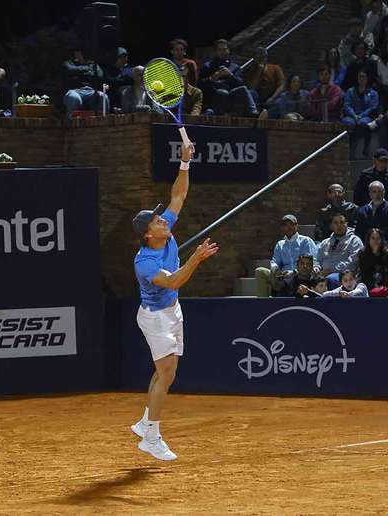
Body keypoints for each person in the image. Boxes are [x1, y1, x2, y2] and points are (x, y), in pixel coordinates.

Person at [131, 141, 219, 461]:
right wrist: (195, 259)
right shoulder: (145, 263)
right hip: (154, 316)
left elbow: (178, 195)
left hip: (173, 310)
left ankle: (144, 423)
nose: (164, 220)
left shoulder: (165, 231)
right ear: (147, 235)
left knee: (167, 373)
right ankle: (151, 436)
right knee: (166, 371)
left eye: (160, 218)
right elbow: (173, 280)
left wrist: (184, 163)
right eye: (157, 221)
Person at [254, 215, 318, 298]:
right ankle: (263, 304)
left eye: (292, 224)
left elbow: (311, 262)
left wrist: (293, 272)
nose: (289, 227)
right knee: (260, 271)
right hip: (283, 277)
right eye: (285, 225)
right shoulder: (280, 244)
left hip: (300, 276)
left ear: (296, 225)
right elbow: (275, 261)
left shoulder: (306, 241)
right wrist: (276, 270)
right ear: (282, 228)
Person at [199, 39, 260, 117]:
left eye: (224, 49)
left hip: (231, 94)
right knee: (222, 92)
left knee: (246, 90)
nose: (222, 52)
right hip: (215, 94)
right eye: (219, 50)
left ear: (228, 50)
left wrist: (230, 75)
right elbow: (200, 85)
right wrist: (213, 78)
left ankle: (254, 113)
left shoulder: (235, 67)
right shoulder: (207, 66)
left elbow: (241, 83)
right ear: (216, 52)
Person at [317, 213, 364, 289]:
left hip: (345, 276)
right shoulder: (325, 243)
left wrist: (331, 270)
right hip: (322, 274)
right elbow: (318, 260)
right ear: (331, 226)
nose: (339, 225)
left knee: (330, 279)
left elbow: (352, 263)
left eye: (342, 222)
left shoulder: (354, 241)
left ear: (346, 224)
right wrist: (317, 268)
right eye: (336, 223)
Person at [61, 48, 108, 118]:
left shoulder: (93, 64)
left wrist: (78, 73)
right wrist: (87, 69)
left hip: (91, 91)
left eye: (80, 53)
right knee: (74, 98)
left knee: (103, 97)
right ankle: (70, 124)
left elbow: (100, 75)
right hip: (74, 90)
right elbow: (70, 69)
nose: (79, 54)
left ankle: (102, 123)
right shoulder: (69, 63)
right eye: (77, 52)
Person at [343, 70, 380, 157]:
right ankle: (345, 147)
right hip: (351, 115)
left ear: (367, 79)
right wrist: (354, 115)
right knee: (348, 123)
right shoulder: (350, 91)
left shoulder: (373, 93)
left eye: (364, 76)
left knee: (363, 123)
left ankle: (361, 147)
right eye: (360, 76)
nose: (361, 78)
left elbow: (372, 107)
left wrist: (361, 115)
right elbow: (347, 105)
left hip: (365, 116)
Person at [244, 46, 286, 114]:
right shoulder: (251, 71)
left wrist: (272, 98)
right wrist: (259, 72)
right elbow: (252, 87)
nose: (261, 60)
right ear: (254, 58)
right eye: (259, 58)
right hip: (258, 97)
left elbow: (281, 85)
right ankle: (255, 114)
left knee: (280, 101)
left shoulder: (276, 68)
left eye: (263, 57)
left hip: (272, 96)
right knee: (251, 93)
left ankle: (266, 116)